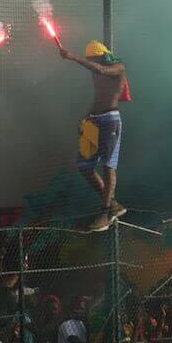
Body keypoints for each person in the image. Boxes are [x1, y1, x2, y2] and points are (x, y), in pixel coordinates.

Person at [60, 39, 132, 233]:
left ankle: (105, 212)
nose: (92, 63)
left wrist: (73, 57)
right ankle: (113, 205)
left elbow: (101, 70)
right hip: (96, 120)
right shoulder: (97, 71)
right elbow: (98, 99)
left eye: (94, 59)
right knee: (84, 165)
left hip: (111, 120)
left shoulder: (118, 68)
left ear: (102, 56)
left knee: (109, 166)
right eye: (89, 60)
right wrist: (86, 118)